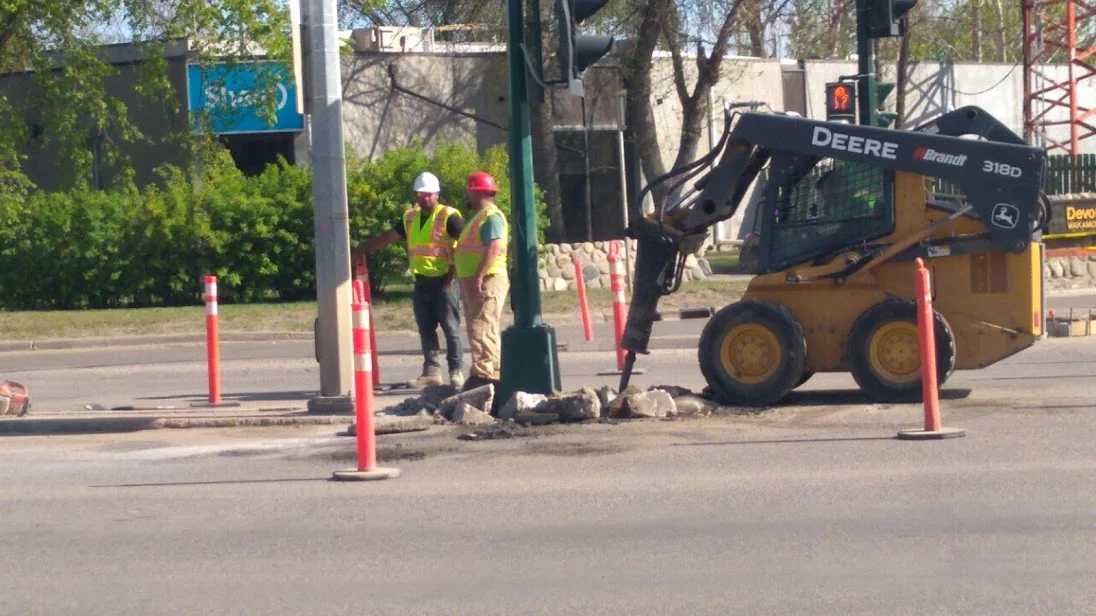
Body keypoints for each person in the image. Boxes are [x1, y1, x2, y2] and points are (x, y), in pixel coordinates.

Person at [352, 171, 465, 389]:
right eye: (421, 194)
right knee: (426, 328)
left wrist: (453, 272)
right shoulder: (410, 217)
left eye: (428, 194)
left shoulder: (449, 216)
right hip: (422, 281)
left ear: (437, 194)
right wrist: (363, 248)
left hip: (445, 281)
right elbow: (388, 237)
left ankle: (456, 371)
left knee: (451, 328)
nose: (424, 198)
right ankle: (431, 372)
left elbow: (467, 243)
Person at [453, 171, 510, 392]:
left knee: (483, 327)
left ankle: (487, 377)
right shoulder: (480, 217)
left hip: (487, 280)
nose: (466, 195)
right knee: (477, 327)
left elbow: (493, 248)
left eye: (469, 191)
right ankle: (484, 373)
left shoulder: (491, 217)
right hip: (478, 280)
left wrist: (477, 276)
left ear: (477, 192)